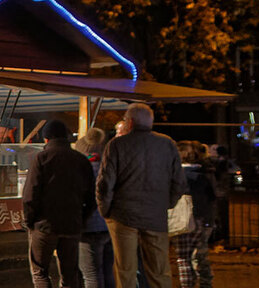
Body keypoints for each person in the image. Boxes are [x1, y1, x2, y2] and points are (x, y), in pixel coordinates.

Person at [98, 104, 186, 288]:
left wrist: (105, 210)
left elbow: (105, 183)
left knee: (125, 271)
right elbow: (179, 182)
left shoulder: (117, 145)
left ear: (129, 122)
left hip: (123, 215)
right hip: (155, 215)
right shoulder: (167, 144)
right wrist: (166, 204)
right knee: (159, 271)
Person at [24, 120, 96, 288]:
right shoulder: (81, 160)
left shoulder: (41, 158)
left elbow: (30, 194)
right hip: (72, 225)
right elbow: (92, 197)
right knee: (69, 273)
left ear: (46, 139)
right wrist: (81, 220)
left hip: (45, 225)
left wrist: (30, 221)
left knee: (40, 272)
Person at [170, 141, 216, 288]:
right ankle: (205, 283)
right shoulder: (204, 176)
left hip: (182, 220)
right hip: (201, 220)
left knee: (183, 257)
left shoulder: (175, 176)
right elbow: (212, 198)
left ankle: (187, 284)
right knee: (200, 255)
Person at [73, 127, 115, 288]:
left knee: (91, 274)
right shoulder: (111, 169)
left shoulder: (80, 171)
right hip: (109, 226)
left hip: (88, 228)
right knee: (107, 271)